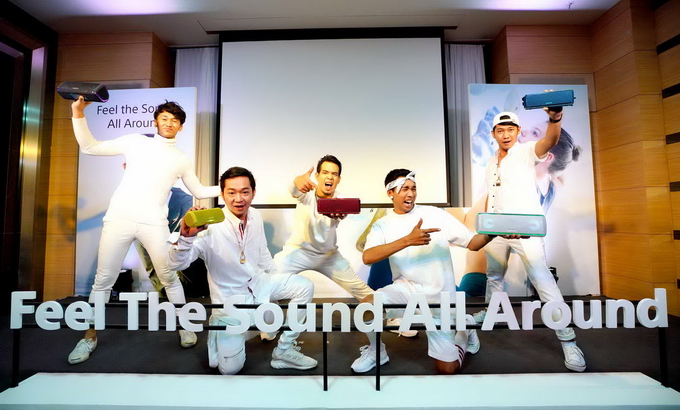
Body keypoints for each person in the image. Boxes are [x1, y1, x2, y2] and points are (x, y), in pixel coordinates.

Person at [68, 97, 221, 364]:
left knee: (169, 276)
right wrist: (78, 112)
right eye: (165, 118)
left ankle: (184, 325)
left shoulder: (181, 159)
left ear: (181, 127)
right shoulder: (135, 141)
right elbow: (90, 147)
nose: (169, 123)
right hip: (119, 219)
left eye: (175, 120)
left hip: (154, 223)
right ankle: (89, 337)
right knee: (103, 281)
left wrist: (233, 188)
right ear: (156, 122)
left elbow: (198, 190)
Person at [168, 167, 317, 374]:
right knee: (229, 369)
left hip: (259, 285)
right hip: (230, 303)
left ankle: (284, 351)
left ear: (253, 193)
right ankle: (226, 333)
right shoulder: (209, 226)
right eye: (232, 192)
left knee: (303, 286)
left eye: (245, 192)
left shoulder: (254, 215)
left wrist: (276, 286)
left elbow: (263, 253)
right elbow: (176, 264)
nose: (239, 199)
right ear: (222, 194)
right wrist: (186, 237)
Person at [351, 169, 501, 374]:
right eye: (404, 189)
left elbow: (473, 243)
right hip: (407, 289)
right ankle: (377, 352)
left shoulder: (434, 214)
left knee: (447, 368)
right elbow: (368, 257)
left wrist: (493, 233)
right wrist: (407, 240)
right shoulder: (382, 225)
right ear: (390, 193)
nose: (410, 194)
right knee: (367, 307)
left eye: (413, 188)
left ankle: (465, 329)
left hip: (440, 296)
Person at [480, 108, 586, 372]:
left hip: (524, 230)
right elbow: (492, 195)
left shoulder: (527, 151)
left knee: (543, 280)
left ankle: (568, 341)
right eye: (500, 130)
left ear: (517, 131)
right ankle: (492, 313)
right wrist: (486, 223)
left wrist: (555, 119)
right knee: (494, 276)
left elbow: (550, 140)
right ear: (493, 134)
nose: (506, 134)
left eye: (510, 129)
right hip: (496, 229)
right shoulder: (491, 162)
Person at [266, 155, 373, 340]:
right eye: (325, 172)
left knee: (364, 292)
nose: (329, 177)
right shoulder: (306, 193)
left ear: (338, 179)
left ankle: (392, 320)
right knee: (266, 283)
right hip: (298, 252)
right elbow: (294, 189)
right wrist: (296, 181)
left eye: (334, 174)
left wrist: (340, 214)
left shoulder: (340, 200)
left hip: (328, 256)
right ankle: (269, 325)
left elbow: (343, 213)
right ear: (317, 175)